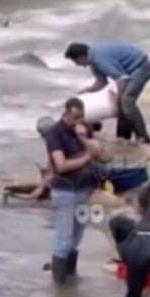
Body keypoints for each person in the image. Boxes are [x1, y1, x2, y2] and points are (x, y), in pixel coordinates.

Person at [44, 97, 100, 285]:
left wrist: (83, 137)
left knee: (77, 237)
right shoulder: (55, 133)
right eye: (75, 117)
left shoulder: (82, 129)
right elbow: (61, 165)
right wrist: (85, 159)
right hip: (65, 192)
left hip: (84, 191)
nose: (78, 121)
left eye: (81, 117)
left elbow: (100, 153)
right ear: (66, 113)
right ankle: (59, 287)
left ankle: (71, 279)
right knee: (64, 239)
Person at [65, 41, 150, 145]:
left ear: (81, 57)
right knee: (121, 103)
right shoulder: (94, 61)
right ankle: (123, 137)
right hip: (130, 71)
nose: (79, 65)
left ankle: (144, 137)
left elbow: (122, 79)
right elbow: (101, 82)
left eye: (76, 62)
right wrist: (85, 92)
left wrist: (117, 98)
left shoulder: (99, 58)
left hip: (141, 67)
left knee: (126, 101)